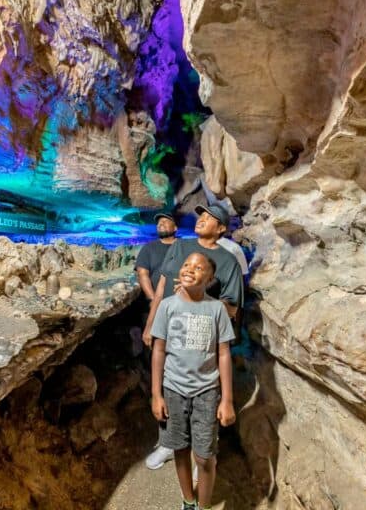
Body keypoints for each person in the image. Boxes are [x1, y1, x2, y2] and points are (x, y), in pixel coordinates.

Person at [142, 203, 243, 470]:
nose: (202, 220)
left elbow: (232, 307)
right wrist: (150, 324)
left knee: (203, 396)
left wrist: (197, 295)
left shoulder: (228, 261)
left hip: (201, 340)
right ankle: (168, 443)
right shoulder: (180, 247)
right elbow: (163, 284)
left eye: (210, 218)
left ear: (221, 228)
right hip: (170, 331)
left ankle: (203, 452)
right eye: (201, 216)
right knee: (167, 387)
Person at [150, 252, 236, 510]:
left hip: (206, 391)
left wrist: (227, 399)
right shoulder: (168, 306)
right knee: (178, 447)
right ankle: (189, 500)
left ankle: (205, 505)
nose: (190, 268)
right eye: (187, 264)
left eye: (198, 267)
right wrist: (157, 394)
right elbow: (158, 350)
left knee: (204, 455)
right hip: (173, 389)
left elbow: (223, 353)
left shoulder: (216, 309)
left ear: (209, 278)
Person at [135, 213, 177, 301]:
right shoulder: (148, 248)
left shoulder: (185, 246)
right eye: (159, 223)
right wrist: (154, 300)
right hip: (157, 300)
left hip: (182, 302)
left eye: (165, 221)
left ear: (175, 228)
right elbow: (143, 275)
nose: (160, 224)